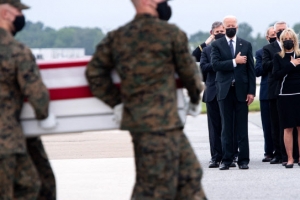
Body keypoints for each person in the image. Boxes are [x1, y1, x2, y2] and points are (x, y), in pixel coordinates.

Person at [86, 0, 207, 199]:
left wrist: (116, 102)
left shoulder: (118, 37)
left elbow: (94, 73)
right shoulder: (170, 33)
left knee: (189, 175)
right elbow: (189, 73)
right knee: (154, 186)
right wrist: (195, 98)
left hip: (150, 122)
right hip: (160, 122)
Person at [0, 1, 56, 199]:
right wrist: (44, 115)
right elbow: (36, 93)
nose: (20, 15)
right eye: (17, 11)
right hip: (5, 141)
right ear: (5, 13)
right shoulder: (15, 50)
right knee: (29, 185)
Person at [211, 15, 256, 170]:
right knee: (226, 128)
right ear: (224, 28)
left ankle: (243, 160)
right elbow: (215, 65)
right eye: (227, 25)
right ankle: (227, 159)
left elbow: (251, 70)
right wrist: (234, 62)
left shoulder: (246, 44)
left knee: (242, 127)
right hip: (224, 91)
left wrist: (251, 91)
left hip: (241, 92)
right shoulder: (217, 44)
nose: (230, 27)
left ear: (237, 27)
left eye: (233, 25)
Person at [200, 21, 227, 168]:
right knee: (214, 127)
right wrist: (219, 65)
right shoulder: (207, 50)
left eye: (222, 31)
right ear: (212, 33)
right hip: (212, 92)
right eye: (217, 32)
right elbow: (203, 68)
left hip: (228, 91)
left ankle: (229, 155)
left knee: (228, 125)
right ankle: (216, 157)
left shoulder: (231, 48)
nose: (220, 34)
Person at [271, 28, 300, 168]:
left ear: (294, 39)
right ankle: (289, 158)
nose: (288, 40)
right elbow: (276, 75)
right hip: (284, 95)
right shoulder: (278, 57)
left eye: (290, 38)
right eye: (285, 38)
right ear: (282, 41)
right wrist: (291, 65)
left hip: (299, 94)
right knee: (287, 128)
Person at [254, 26, 276, 162]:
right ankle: (269, 151)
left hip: (281, 90)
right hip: (266, 91)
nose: (275, 36)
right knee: (267, 124)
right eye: (272, 34)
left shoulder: (286, 50)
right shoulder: (260, 52)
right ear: (267, 37)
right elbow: (258, 71)